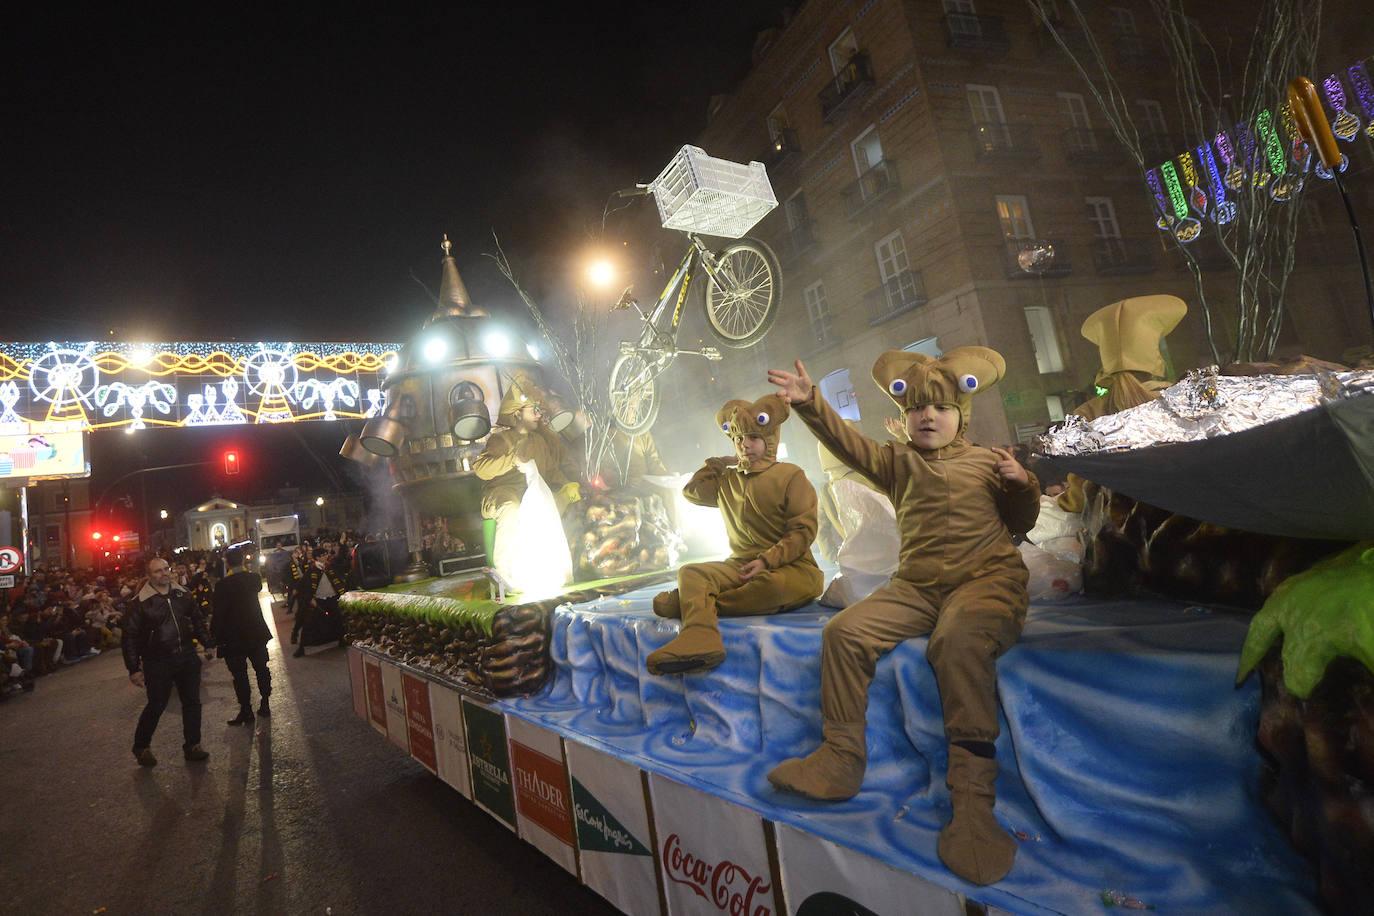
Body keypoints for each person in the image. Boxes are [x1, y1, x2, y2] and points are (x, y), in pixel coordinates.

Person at [767, 348, 1039, 886]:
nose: (927, 417)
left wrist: (1022, 484)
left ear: (962, 413)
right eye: (916, 409)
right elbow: (847, 443)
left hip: (985, 581)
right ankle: (841, 758)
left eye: (939, 407)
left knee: (957, 643)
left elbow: (1019, 523)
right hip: (917, 586)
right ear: (903, 416)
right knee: (845, 631)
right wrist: (811, 403)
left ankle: (973, 801)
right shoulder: (896, 461)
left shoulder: (986, 462)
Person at [645, 393, 823, 675]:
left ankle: (694, 604)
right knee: (692, 572)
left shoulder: (791, 475)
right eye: (738, 439)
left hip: (791, 568)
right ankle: (701, 637)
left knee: (774, 587)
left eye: (752, 437)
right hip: (739, 566)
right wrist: (717, 463)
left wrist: (766, 561)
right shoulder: (728, 480)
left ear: (770, 438)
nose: (744, 445)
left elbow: (803, 531)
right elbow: (691, 491)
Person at [473, 374, 582, 580]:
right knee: (511, 507)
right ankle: (505, 575)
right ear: (517, 414)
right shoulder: (500, 439)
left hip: (530, 495)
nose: (539, 415)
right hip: (500, 495)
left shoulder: (539, 442)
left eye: (539, 411)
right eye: (534, 411)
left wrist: (570, 488)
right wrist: (511, 459)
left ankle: (556, 570)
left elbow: (552, 472)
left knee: (558, 501)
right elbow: (481, 469)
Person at [121, 557, 215, 766]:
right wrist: (134, 669)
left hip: (187, 656)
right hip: (158, 662)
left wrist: (208, 643)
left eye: (166, 569)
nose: (163, 573)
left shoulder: (183, 594)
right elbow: (130, 638)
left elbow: (197, 619)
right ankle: (141, 746)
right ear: (149, 575)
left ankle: (193, 745)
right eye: (157, 571)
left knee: (192, 702)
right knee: (156, 704)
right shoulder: (139, 604)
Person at [211, 546, 273, 725]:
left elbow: (218, 614)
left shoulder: (222, 585)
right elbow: (257, 584)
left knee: (240, 676)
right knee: (262, 669)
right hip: (255, 632)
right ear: (243, 561)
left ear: (227, 563)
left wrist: (214, 638)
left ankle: (246, 710)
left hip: (233, 637)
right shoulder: (253, 578)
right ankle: (265, 703)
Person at [293, 546, 346, 658]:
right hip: (318, 600)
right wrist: (310, 599)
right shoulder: (312, 570)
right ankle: (302, 648)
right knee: (309, 624)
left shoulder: (330, 567)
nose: (326, 557)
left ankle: (342, 640)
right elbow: (305, 586)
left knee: (338, 620)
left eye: (326, 554)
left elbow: (339, 580)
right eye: (323, 555)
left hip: (332, 598)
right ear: (317, 557)